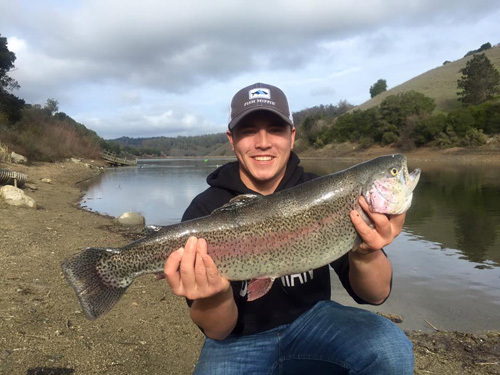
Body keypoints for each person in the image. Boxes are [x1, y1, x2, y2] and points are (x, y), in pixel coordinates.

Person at [163, 83, 414, 374]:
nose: (263, 142)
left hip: (315, 320)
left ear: (292, 136)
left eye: (275, 129)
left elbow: (375, 295)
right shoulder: (204, 213)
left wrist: (368, 253)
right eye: (248, 131)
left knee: (389, 349)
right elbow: (218, 331)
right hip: (237, 338)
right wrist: (216, 295)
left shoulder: (328, 194)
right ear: (231, 140)